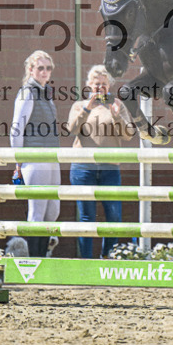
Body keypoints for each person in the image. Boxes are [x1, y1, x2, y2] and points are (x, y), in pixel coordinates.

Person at [66, 65, 135, 258]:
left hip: (109, 168)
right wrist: (88, 108)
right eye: (96, 84)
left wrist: (115, 115)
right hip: (83, 168)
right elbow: (72, 129)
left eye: (104, 84)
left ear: (110, 85)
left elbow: (128, 134)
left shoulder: (117, 105)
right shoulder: (79, 105)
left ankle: (107, 257)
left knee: (113, 215)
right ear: (89, 85)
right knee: (86, 216)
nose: (100, 87)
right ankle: (86, 261)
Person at [10, 50, 61, 258]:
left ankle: (44, 257)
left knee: (53, 212)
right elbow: (16, 129)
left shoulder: (45, 93)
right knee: (37, 212)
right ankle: (34, 262)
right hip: (35, 158)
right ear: (30, 70)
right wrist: (19, 162)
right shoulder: (27, 92)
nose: (45, 72)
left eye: (48, 68)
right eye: (40, 68)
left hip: (51, 157)